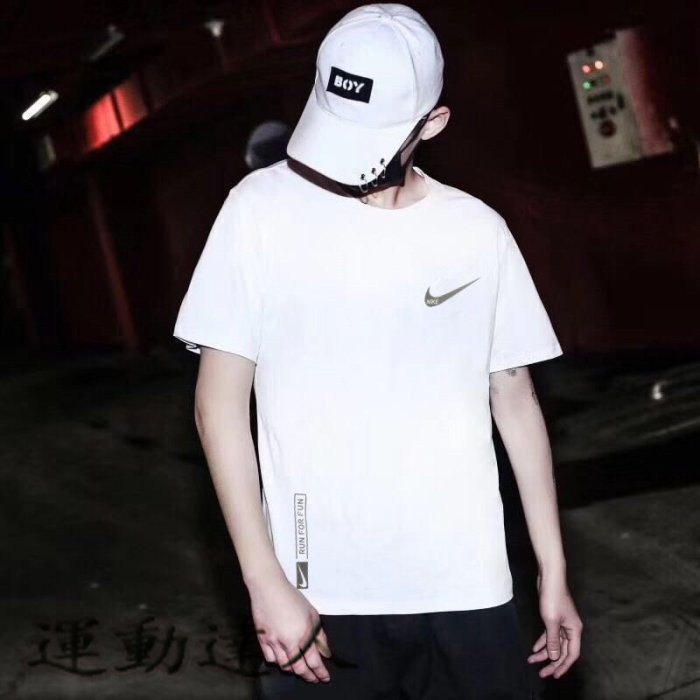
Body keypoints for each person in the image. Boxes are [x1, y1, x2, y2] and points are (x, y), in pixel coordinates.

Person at [173, 3, 583, 698]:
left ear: (434, 124)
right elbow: (218, 407)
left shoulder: (476, 230)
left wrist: (553, 570)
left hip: (467, 585)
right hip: (318, 592)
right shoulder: (257, 211)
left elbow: (515, 402)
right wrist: (264, 581)